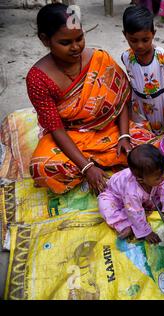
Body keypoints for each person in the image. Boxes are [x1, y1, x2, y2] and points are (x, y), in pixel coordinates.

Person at [27, 3, 155, 195]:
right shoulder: (38, 78)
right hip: (71, 137)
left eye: (80, 38)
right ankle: (98, 165)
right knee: (43, 169)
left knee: (148, 147)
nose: (76, 47)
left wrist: (124, 136)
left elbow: (121, 100)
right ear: (45, 40)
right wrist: (86, 168)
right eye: (65, 42)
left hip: (108, 131)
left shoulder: (99, 58)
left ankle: (100, 164)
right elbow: (56, 129)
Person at [98, 144, 164, 244]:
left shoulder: (157, 176)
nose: (163, 177)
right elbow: (134, 211)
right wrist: (146, 232)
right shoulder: (132, 191)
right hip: (115, 197)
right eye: (158, 177)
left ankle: (143, 207)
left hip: (134, 199)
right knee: (105, 207)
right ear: (141, 179)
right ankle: (126, 225)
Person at [122, 5, 164, 136]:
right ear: (125, 35)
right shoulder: (126, 57)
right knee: (142, 132)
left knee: (162, 131)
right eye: (133, 40)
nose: (140, 45)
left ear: (153, 34)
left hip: (160, 103)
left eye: (145, 40)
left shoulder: (162, 56)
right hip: (139, 103)